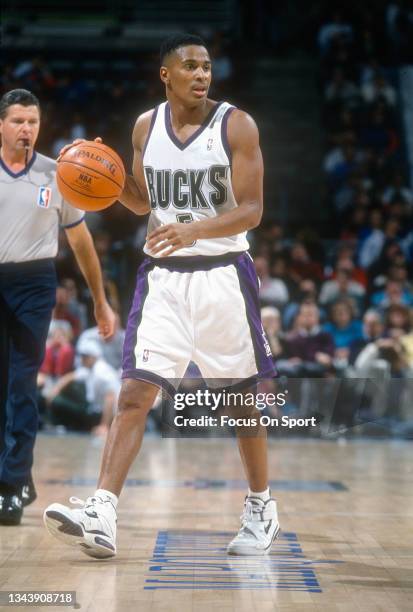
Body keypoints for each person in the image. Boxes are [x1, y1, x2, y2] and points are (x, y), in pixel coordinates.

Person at [43, 34, 279, 558]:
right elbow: (139, 200)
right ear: (165, 75)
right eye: (190, 66)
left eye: (207, 66)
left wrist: (193, 231)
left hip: (223, 275)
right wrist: (90, 172)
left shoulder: (236, 125)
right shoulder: (145, 127)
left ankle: (261, 505)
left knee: (241, 402)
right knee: (133, 395)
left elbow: (253, 210)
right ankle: (103, 510)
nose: (202, 74)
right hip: (163, 279)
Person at [0, 88, 116, 525]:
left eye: (32, 121)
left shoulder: (60, 174)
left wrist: (101, 302)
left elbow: (81, 242)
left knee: (22, 384)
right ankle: (13, 476)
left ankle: (11, 484)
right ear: (1, 125)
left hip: (34, 282)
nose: (26, 128)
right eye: (17, 121)